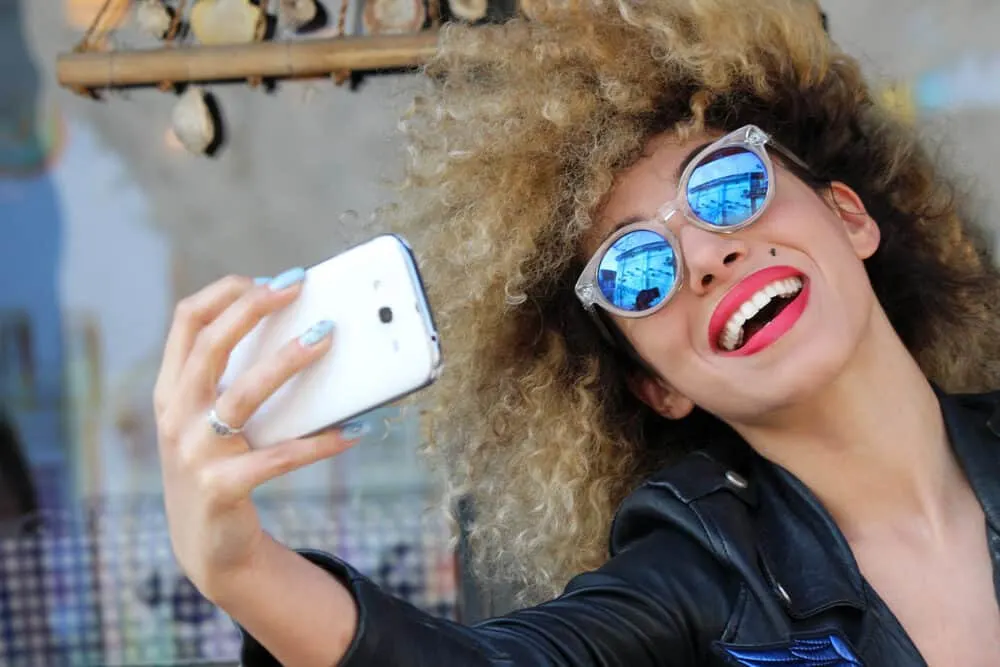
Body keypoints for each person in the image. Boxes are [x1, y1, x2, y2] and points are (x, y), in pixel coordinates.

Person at [153, 0, 1000, 664]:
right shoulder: (697, 569)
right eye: (636, 269)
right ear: (655, 385)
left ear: (849, 217)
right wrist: (242, 569)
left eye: (727, 182)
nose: (703, 254)